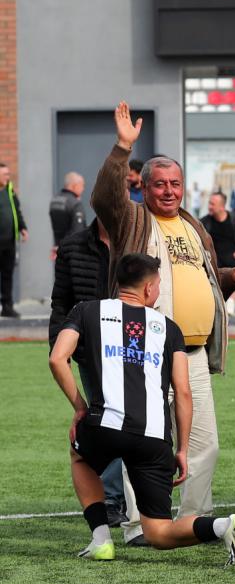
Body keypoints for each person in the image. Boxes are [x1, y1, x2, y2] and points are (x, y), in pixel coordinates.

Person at [91, 101, 235, 545]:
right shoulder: (132, 220)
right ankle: (136, 526)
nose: (168, 191)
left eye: (176, 184)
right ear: (142, 188)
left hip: (193, 352)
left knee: (205, 442)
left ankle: (195, 520)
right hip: (144, 351)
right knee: (142, 442)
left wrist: (230, 276)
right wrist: (123, 148)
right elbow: (104, 199)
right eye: (159, 184)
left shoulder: (192, 225)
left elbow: (197, 279)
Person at [48, 253, 235, 565]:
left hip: (105, 424)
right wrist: (182, 449)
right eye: (157, 285)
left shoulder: (87, 310)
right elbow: (183, 393)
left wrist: (79, 407)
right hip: (154, 438)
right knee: (158, 532)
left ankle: (101, 538)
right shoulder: (170, 328)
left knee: (80, 456)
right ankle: (225, 526)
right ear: (148, 290)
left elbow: (57, 358)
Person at [49, 217, 126, 526]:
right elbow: (61, 301)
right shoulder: (72, 246)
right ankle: (110, 497)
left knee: (131, 423)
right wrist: (60, 345)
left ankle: (124, 498)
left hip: (134, 345)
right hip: (93, 352)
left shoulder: (139, 237)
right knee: (104, 421)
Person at [201, 193, 235, 315]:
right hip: (215, 258)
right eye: (209, 203)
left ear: (222, 207)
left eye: (212, 204)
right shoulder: (204, 222)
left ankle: (231, 300)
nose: (209, 207)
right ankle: (216, 302)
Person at [0, 163, 27, 318]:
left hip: (9, 242)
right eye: (4, 174)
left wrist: (22, 228)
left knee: (7, 275)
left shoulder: (9, 191)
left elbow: (17, 211)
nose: (7, 177)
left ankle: (7, 306)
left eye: (8, 174)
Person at [49, 172, 87, 257]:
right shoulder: (75, 204)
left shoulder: (55, 201)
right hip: (74, 253)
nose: (83, 189)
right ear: (74, 185)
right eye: (82, 185)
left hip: (59, 250)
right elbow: (78, 232)